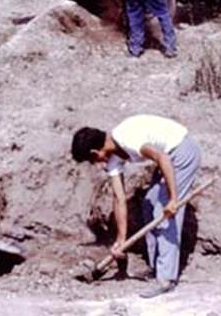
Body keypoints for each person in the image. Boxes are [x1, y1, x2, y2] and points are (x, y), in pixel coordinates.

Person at [71, 114, 201, 298]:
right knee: (149, 206)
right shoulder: (113, 158)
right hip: (167, 158)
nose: (96, 164)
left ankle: (166, 279)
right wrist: (121, 239)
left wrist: (173, 199)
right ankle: (157, 267)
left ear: (95, 152)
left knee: (162, 213)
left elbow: (162, 158)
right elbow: (119, 198)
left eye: (92, 160)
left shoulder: (127, 138)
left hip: (182, 151)